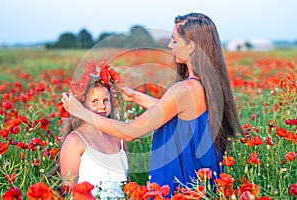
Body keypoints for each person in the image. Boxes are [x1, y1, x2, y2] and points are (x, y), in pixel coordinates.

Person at [62, 13, 242, 196]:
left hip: (181, 185)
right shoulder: (204, 84)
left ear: (191, 47)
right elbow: (173, 113)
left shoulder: (184, 89)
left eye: (174, 40)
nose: (170, 45)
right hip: (200, 184)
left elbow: (131, 132)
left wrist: (82, 112)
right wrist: (134, 96)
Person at [59, 75, 129, 199]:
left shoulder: (119, 139)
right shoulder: (75, 140)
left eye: (106, 100)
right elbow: (68, 192)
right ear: (81, 106)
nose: (102, 106)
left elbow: (128, 187)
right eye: (94, 101)